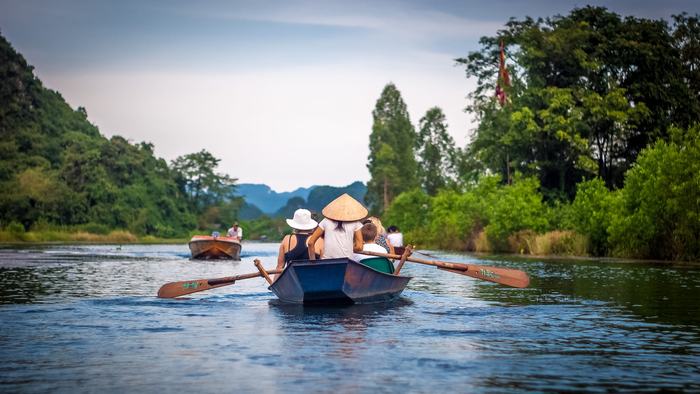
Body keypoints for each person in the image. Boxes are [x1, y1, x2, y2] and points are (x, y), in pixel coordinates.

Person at [306, 193, 367, 259]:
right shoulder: (356, 223)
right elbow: (359, 247)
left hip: (327, 263)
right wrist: (349, 249)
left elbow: (310, 243)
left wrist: (313, 261)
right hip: (347, 262)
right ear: (351, 211)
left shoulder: (325, 221)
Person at [274, 209, 322, 281]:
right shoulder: (319, 240)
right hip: (314, 279)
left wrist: (274, 284)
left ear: (294, 226)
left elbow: (280, 266)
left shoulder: (287, 239)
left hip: (292, 280)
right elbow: (324, 265)